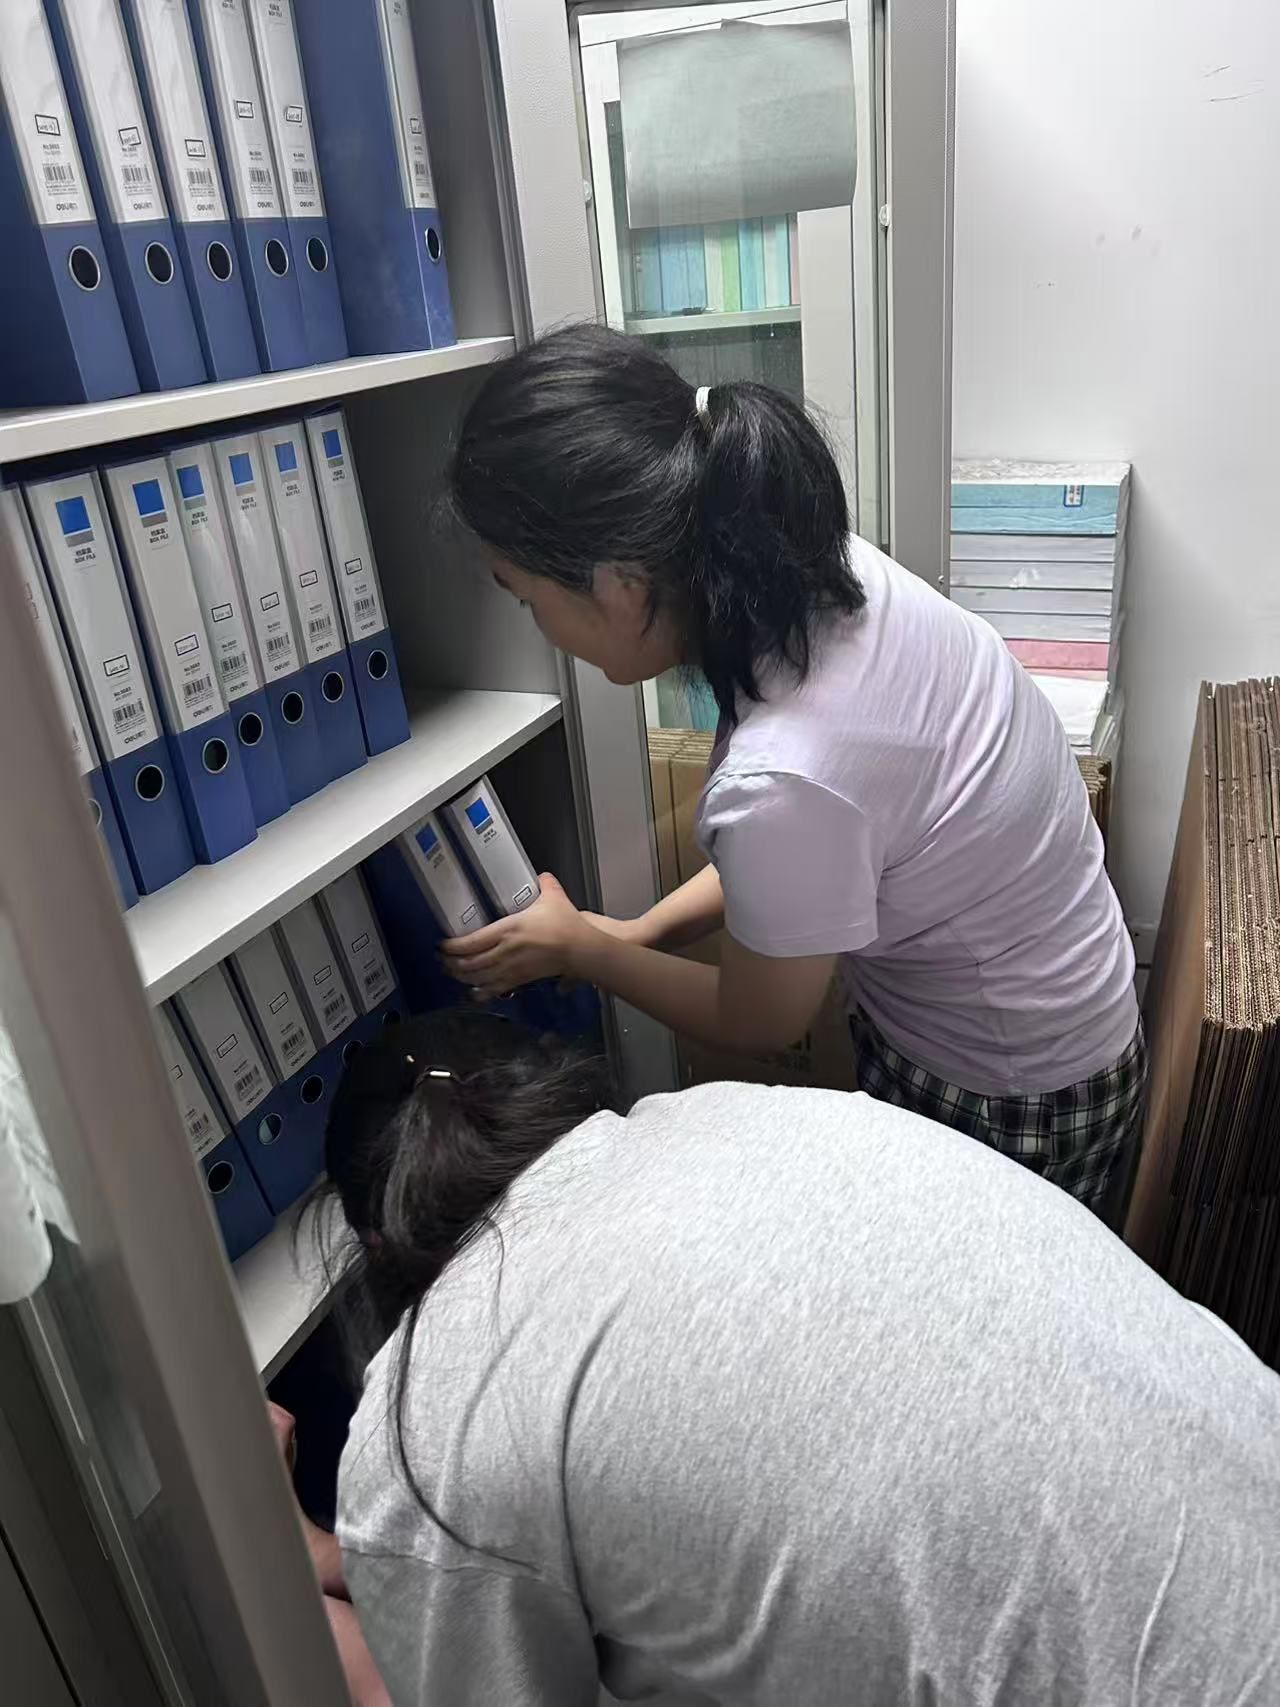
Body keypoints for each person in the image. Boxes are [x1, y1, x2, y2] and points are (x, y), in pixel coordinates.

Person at [326, 1011, 1280, 1706]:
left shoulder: (429, 1417)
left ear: (375, 1244)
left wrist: (294, 1570)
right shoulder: (719, 1113)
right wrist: (357, 1553)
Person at [438, 325, 1144, 1215]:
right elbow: (798, 868)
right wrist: (636, 932)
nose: (540, 631)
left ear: (619, 585)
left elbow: (760, 1016)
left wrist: (587, 950)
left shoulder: (785, 771)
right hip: (1069, 1004)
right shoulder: (809, 573)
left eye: (528, 599)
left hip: (1012, 1089)